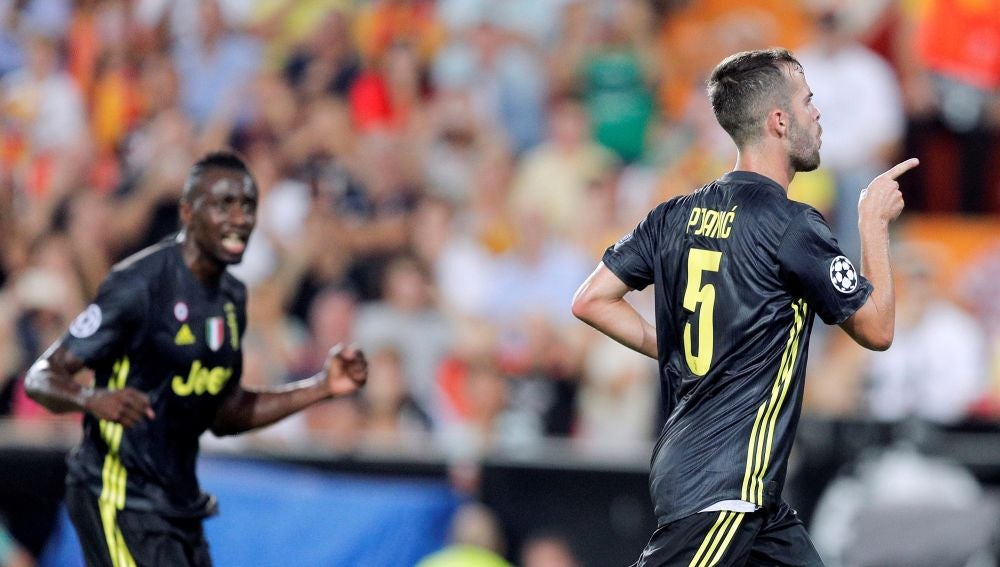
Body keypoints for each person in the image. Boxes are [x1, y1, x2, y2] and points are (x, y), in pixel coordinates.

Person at [571, 48, 917, 566]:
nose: (817, 114)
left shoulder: (673, 215)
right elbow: (877, 328)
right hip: (725, 489)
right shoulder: (791, 224)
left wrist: (678, 347)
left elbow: (592, 300)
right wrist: (871, 224)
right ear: (779, 121)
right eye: (808, 101)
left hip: (747, 497)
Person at [25, 151, 368, 567]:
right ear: (187, 212)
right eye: (223, 205)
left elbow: (226, 413)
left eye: (247, 206)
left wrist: (321, 387)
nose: (240, 218)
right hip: (117, 496)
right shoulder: (139, 285)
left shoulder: (232, 299)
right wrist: (91, 400)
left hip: (179, 506)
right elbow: (42, 377)